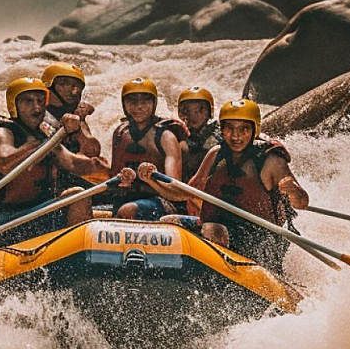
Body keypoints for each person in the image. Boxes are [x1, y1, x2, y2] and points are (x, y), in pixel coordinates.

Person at [137, 97, 308, 273]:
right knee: (169, 223)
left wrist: (293, 192)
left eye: (244, 129)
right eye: (229, 128)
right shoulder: (216, 154)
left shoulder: (271, 161)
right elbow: (183, 193)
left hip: (260, 238)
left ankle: (216, 281)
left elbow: (302, 202)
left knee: (212, 229)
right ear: (222, 129)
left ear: (254, 129)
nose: (235, 136)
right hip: (220, 229)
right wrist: (151, 180)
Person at [0, 77, 131, 244]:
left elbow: (73, 163)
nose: (36, 107)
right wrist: (41, 145)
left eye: (40, 101)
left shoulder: (44, 135)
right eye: (28, 102)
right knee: (76, 196)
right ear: (14, 106)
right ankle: (77, 258)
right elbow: (5, 163)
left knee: (81, 194)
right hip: (6, 221)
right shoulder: (2, 132)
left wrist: (112, 172)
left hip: (38, 214)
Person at [109, 77, 188, 220]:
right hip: (128, 198)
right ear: (124, 105)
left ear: (154, 104)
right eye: (132, 101)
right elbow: (113, 179)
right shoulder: (120, 133)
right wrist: (122, 182)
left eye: (145, 101)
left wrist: (150, 180)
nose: (139, 107)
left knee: (128, 210)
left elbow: (175, 191)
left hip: (161, 202)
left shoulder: (166, 137)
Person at [41, 63, 102, 158]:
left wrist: (80, 123)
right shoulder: (35, 116)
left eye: (78, 87)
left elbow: (92, 151)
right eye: (64, 84)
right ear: (48, 87)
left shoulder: (77, 114)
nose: (75, 92)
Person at [177, 87, 220, 180]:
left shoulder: (218, 132)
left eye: (200, 110)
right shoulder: (177, 131)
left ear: (209, 112)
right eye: (187, 111)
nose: (193, 116)